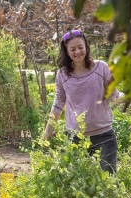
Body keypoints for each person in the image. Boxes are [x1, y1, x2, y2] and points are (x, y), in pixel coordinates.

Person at [44, 30, 120, 175]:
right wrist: (46, 133)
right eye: (72, 49)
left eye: (80, 47)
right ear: (66, 52)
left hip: (104, 136)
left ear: (86, 46)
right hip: (75, 139)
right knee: (79, 186)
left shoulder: (101, 68)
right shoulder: (62, 75)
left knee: (109, 182)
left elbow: (114, 95)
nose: (77, 52)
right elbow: (58, 103)